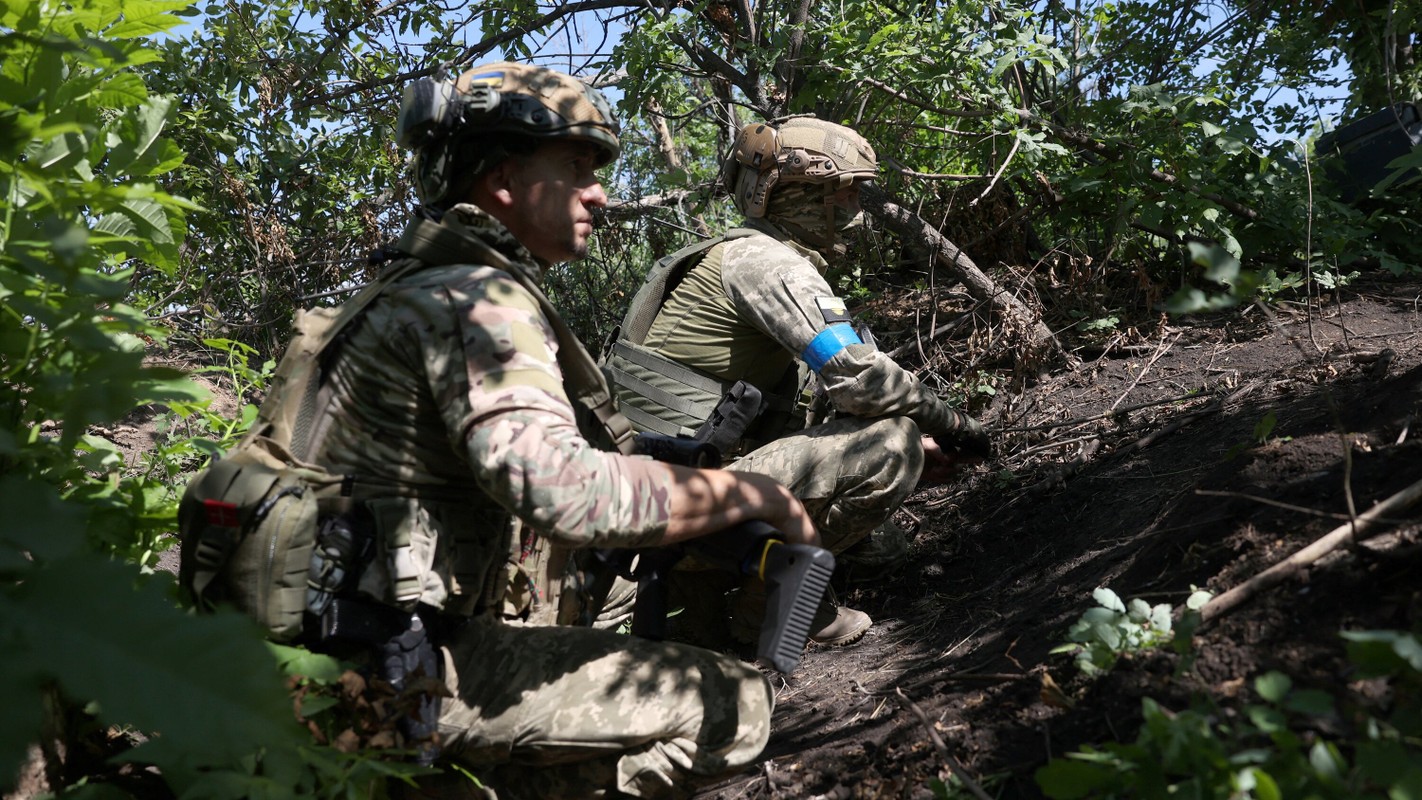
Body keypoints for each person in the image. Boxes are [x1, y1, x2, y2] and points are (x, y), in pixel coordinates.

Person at [303, 62, 819, 799]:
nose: (599, 193)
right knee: (731, 703)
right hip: (383, 673)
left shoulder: (397, 291)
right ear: (504, 179)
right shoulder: (478, 300)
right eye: (576, 167)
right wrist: (747, 494)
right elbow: (566, 494)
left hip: (319, 657)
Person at [604, 117, 991, 647]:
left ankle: (721, 598)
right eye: (847, 193)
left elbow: (817, 397)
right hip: (664, 513)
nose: (856, 214)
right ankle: (770, 616)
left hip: (656, 499)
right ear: (801, 194)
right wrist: (954, 425)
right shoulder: (766, 263)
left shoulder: (738, 257)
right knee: (892, 446)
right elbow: (863, 379)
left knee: (883, 548)